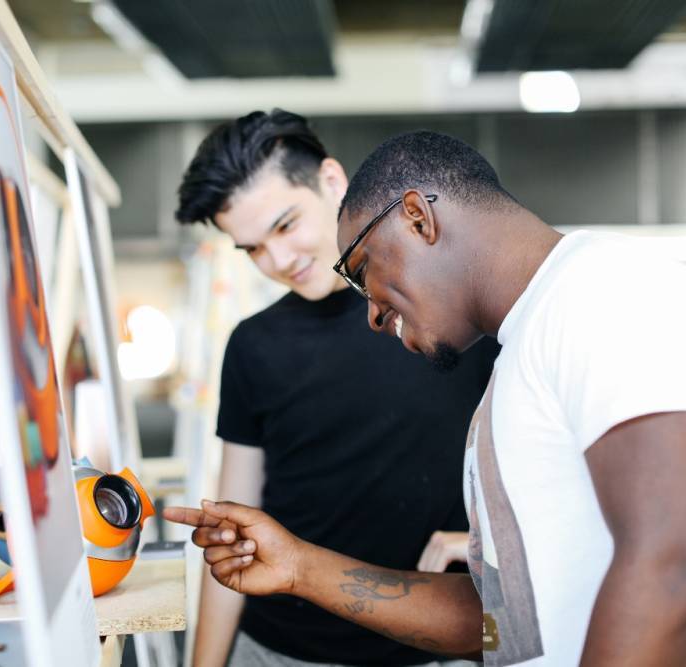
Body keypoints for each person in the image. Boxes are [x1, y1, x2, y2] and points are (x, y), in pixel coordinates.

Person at [166, 130, 686, 666]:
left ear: (418, 219)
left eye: (363, 268)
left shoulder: (605, 293)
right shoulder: (518, 354)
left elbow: (677, 561)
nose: (372, 313)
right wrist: (300, 567)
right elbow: (498, 619)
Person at [174, 112, 500, 666]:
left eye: (284, 226)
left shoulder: (445, 311)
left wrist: (488, 549)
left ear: (331, 181)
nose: (277, 261)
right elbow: (236, 521)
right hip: (281, 648)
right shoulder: (254, 346)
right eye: (250, 248)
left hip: (436, 643)